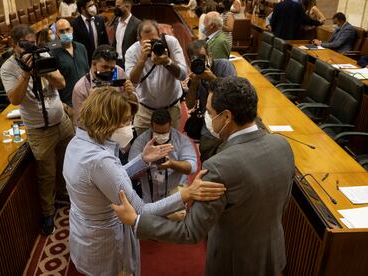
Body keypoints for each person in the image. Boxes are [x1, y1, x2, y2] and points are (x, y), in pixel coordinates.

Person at [112, 76, 295, 276]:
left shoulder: (219, 167)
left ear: (226, 117)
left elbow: (190, 231)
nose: (207, 118)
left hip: (233, 263)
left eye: (209, 112)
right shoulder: (283, 145)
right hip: (273, 255)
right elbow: (282, 204)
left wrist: (137, 221)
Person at [63, 87, 225, 276]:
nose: (129, 126)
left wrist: (143, 159)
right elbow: (141, 210)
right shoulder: (99, 161)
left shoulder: (79, 142)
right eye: (125, 121)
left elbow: (111, 179)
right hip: (105, 242)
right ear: (107, 121)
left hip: (85, 230)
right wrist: (186, 194)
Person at [0, 25, 74, 235]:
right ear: (15, 46)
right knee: (46, 174)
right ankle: (48, 213)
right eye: (26, 44)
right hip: (39, 130)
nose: (32, 47)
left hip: (61, 121)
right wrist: (25, 74)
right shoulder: (8, 68)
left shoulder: (43, 54)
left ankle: (65, 193)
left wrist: (46, 72)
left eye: (33, 42)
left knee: (67, 161)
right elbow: (15, 99)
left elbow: (61, 84)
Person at [125, 20, 187, 135]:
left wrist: (167, 62)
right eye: (148, 42)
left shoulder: (171, 43)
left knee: (171, 143)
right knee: (142, 144)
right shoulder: (132, 52)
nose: (153, 44)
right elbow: (132, 82)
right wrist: (142, 59)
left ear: (159, 35)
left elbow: (183, 75)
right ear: (139, 40)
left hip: (171, 109)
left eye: (155, 40)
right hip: (145, 111)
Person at [129, 108, 197, 203]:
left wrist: (172, 164)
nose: (161, 136)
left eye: (164, 133)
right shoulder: (140, 142)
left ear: (170, 126)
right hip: (150, 196)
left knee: (176, 216)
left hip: (174, 193)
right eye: (158, 133)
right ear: (151, 127)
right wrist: (146, 162)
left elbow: (192, 167)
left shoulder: (181, 140)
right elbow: (131, 173)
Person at [186, 39, 236, 161]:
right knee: (207, 160)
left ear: (210, 55)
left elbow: (234, 95)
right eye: (195, 59)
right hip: (209, 126)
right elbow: (189, 104)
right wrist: (194, 84)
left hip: (229, 123)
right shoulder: (195, 74)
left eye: (202, 57)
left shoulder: (224, 65)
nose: (200, 62)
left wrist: (212, 79)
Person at [72, 44, 133, 125]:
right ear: (93, 64)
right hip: (97, 131)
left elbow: (132, 103)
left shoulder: (118, 72)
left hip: (119, 126)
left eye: (112, 68)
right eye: (105, 67)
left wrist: (129, 94)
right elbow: (80, 122)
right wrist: (92, 104)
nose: (109, 71)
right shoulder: (80, 88)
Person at [51, 18, 89, 113]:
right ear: (56, 34)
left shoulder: (81, 47)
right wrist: (61, 104)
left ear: (72, 29)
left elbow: (87, 72)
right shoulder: (52, 53)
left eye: (67, 29)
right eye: (61, 31)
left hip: (86, 101)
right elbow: (51, 82)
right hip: (67, 104)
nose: (65, 33)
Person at [113, 0, 142, 67]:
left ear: (127, 7)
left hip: (131, 62)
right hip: (117, 61)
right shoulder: (116, 21)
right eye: (115, 6)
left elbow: (139, 46)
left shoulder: (137, 24)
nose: (116, 9)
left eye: (118, 6)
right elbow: (115, 42)